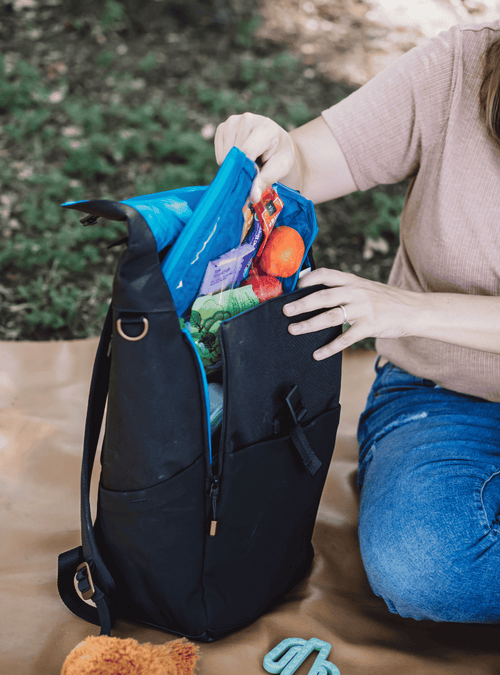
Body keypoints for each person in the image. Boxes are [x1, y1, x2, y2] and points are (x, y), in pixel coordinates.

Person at [215, 20, 500, 623]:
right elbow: (314, 163)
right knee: (426, 565)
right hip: (445, 397)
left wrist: (411, 309)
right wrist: (278, 149)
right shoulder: (462, 64)